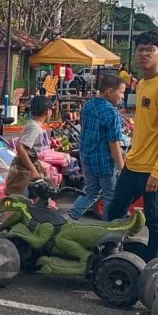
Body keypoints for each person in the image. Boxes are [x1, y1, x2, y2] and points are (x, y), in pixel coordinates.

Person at [106, 32, 158, 262]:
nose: (144, 54)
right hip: (134, 163)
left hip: (153, 168)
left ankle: (153, 266)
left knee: (155, 220)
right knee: (115, 210)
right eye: (140, 50)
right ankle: (113, 255)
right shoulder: (144, 84)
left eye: (150, 50)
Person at [68, 75, 126, 220]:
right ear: (109, 91)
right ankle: (107, 229)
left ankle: (71, 216)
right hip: (104, 162)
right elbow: (114, 143)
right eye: (121, 92)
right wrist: (121, 167)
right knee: (110, 196)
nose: (123, 97)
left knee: (90, 192)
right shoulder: (111, 113)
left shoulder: (88, 105)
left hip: (86, 157)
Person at [5, 95, 51, 196]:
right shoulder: (34, 128)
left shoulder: (33, 125)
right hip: (23, 171)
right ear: (47, 111)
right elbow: (20, 148)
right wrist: (33, 170)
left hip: (25, 168)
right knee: (20, 202)